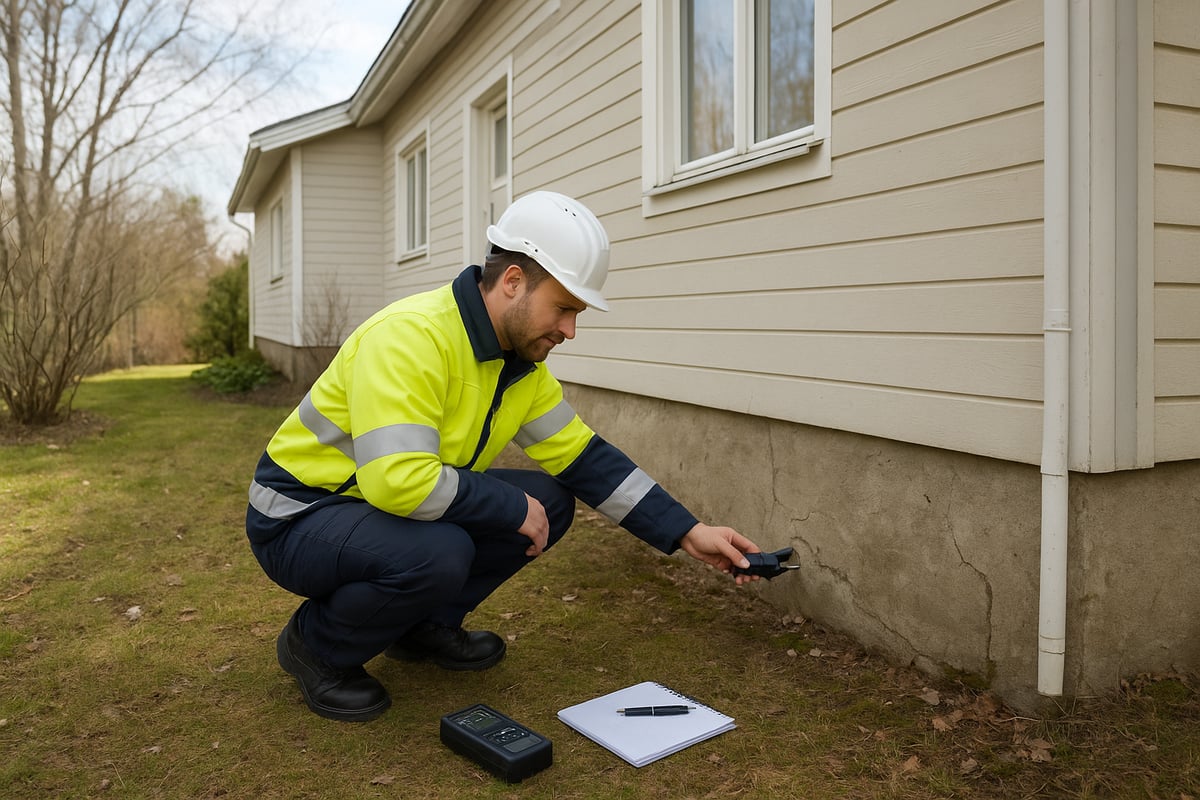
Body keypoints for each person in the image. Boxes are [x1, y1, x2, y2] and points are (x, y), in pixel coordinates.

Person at [245, 190, 763, 721]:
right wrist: (508, 505)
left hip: (370, 510)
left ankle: (422, 627)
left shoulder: (520, 366)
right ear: (513, 282)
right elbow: (397, 480)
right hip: (297, 515)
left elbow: (584, 458)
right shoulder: (409, 337)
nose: (570, 330)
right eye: (563, 308)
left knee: (553, 500)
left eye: (576, 313)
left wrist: (686, 531)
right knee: (442, 549)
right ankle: (316, 647)